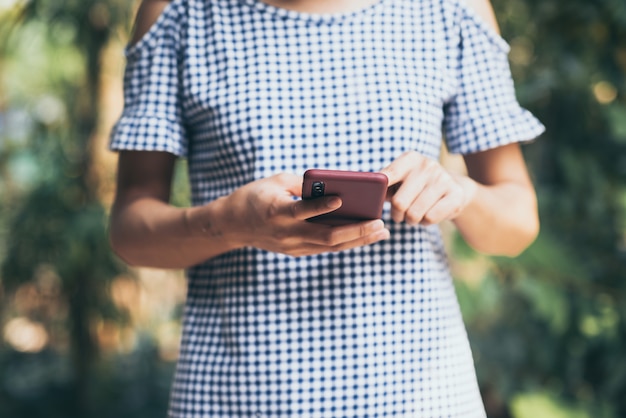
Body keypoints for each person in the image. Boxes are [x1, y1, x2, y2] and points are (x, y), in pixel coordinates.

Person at [108, 0, 544, 416]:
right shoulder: (178, 13)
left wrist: (460, 194)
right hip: (237, 392)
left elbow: (518, 220)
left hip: (422, 393)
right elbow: (129, 231)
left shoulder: (451, 7)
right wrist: (229, 224)